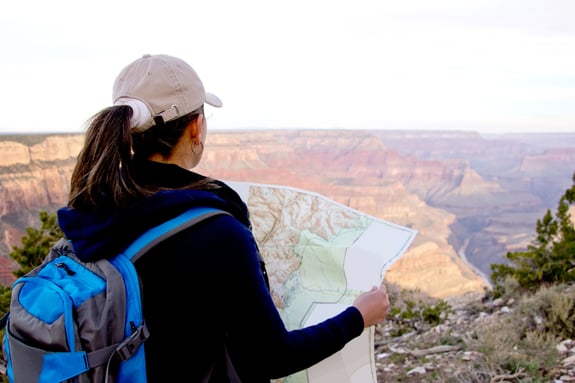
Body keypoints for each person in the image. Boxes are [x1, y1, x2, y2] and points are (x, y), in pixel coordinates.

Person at [57, 53, 390, 382]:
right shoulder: (215, 232)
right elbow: (273, 356)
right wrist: (358, 316)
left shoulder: (95, 209)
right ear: (195, 127)